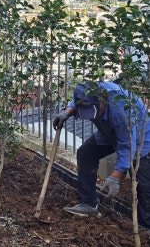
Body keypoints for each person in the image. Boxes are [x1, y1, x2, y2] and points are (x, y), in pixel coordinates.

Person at [53, 81, 150, 230]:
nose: (93, 116)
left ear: (103, 101)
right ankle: (89, 204)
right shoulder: (88, 93)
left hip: (138, 139)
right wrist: (66, 112)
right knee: (86, 153)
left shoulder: (121, 111)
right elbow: (77, 100)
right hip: (108, 130)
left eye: (95, 111)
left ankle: (146, 228)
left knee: (142, 183)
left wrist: (114, 177)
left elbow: (126, 147)